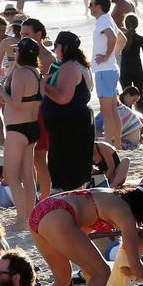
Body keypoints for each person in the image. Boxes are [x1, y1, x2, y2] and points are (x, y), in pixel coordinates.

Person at [40, 31, 96, 193]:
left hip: (69, 126)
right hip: (74, 122)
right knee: (74, 169)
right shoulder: (80, 64)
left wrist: (44, 85)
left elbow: (63, 97)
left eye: (56, 46)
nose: (55, 49)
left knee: (68, 170)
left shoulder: (70, 67)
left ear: (64, 47)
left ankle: (70, 201)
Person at [2, 37, 41, 230]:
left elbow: (15, 103)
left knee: (10, 175)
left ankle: (21, 218)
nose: (14, 53)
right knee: (27, 175)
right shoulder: (36, 72)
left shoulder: (21, 74)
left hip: (18, 128)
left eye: (17, 51)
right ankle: (29, 217)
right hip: (32, 127)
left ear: (22, 53)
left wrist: (0, 92)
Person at [89, 0, 124, 149]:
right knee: (112, 110)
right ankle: (117, 144)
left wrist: (106, 56)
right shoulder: (108, 19)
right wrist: (112, 56)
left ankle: (110, 145)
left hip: (105, 70)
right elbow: (122, 39)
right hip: (110, 69)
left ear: (99, 6)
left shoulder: (103, 20)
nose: (89, 6)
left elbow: (114, 38)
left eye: (91, 4)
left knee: (107, 111)